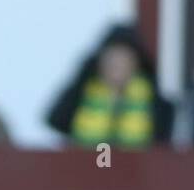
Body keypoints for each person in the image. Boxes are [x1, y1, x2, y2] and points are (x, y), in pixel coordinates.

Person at [45, 24, 173, 148]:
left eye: (123, 59)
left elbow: (163, 139)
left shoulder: (153, 99)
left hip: (135, 168)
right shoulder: (83, 91)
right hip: (90, 166)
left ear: (136, 63)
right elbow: (55, 120)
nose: (116, 65)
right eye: (111, 59)